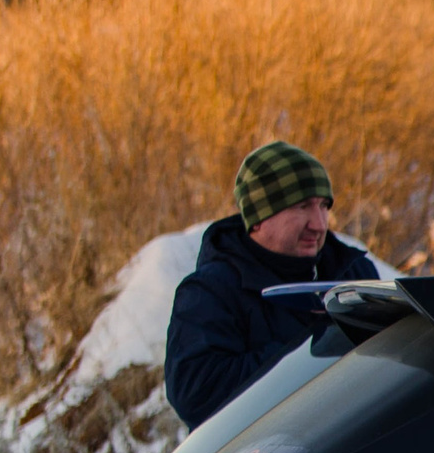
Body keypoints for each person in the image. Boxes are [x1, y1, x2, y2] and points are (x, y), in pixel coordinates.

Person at [163, 141, 388, 429]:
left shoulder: (353, 271)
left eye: (323, 206)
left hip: (345, 448)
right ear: (258, 219)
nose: (319, 224)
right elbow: (196, 395)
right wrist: (311, 350)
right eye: (302, 207)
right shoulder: (210, 291)